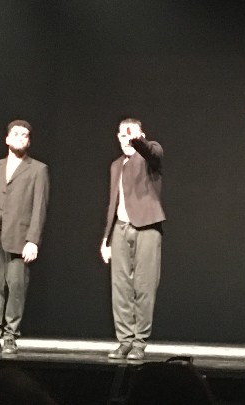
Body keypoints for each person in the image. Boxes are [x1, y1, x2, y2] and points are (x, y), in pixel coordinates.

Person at [0, 120, 50, 355]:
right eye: (16, 134)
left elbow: (39, 208)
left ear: (29, 141)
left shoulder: (38, 169)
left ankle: (10, 335)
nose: (20, 138)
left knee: (16, 288)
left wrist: (33, 240)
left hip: (19, 238)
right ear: (7, 139)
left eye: (24, 135)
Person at [100, 118, 165, 360]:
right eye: (123, 134)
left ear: (141, 135)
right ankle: (125, 340)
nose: (127, 138)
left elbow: (152, 152)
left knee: (144, 287)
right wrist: (106, 238)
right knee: (120, 288)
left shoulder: (149, 156)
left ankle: (139, 342)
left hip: (147, 226)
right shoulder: (116, 165)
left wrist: (138, 141)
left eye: (132, 134)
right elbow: (113, 203)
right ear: (118, 137)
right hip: (120, 229)